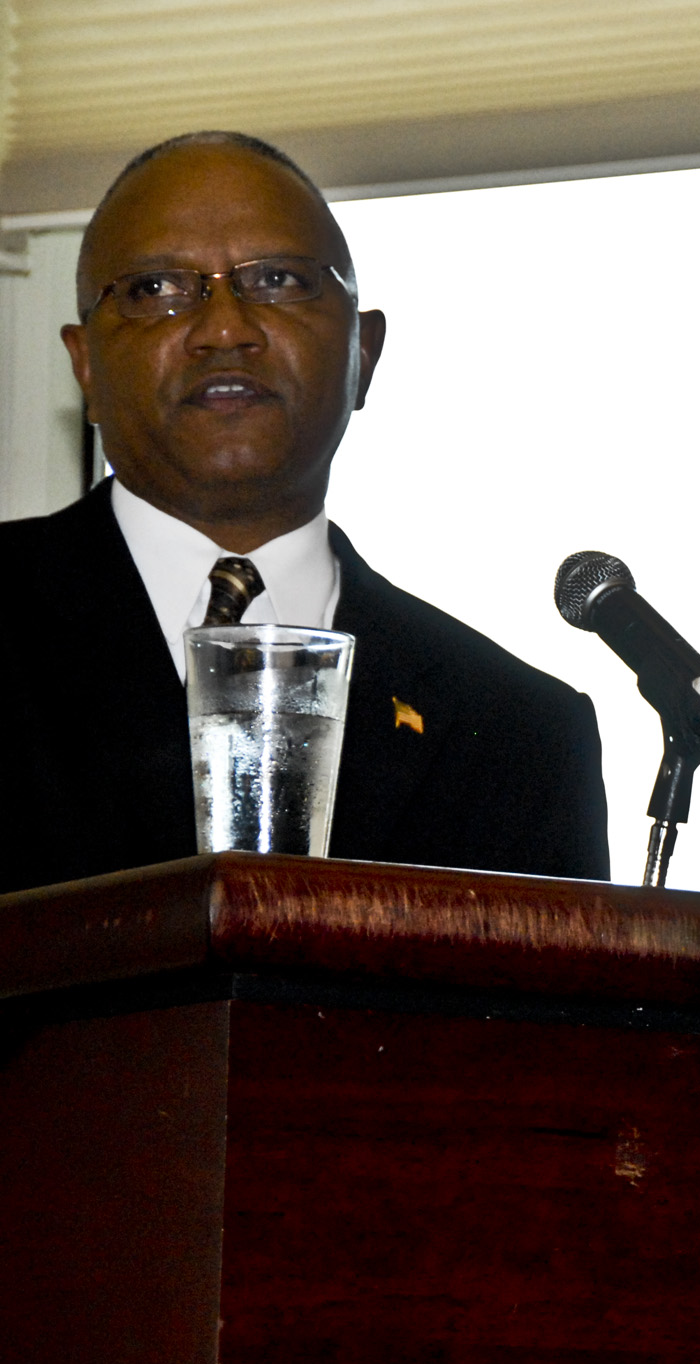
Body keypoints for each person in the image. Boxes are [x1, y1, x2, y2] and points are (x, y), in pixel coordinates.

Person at [0, 131, 609, 892]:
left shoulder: (520, 733)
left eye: (280, 280)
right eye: (156, 289)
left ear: (364, 353)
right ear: (84, 363)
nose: (224, 328)